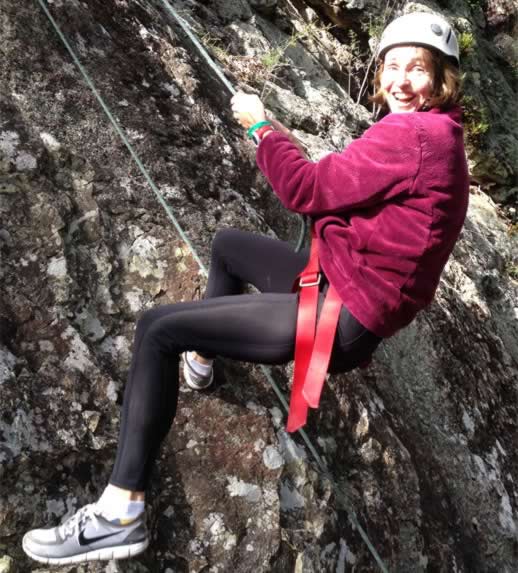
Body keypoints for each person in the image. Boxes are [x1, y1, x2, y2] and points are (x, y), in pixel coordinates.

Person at [22, 11, 469, 566]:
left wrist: (262, 130)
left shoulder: (416, 135)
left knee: (156, 330)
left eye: (418, 69)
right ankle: (205, 360)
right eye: (393, 65)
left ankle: (120, 512)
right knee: (230, 245)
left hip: (334, 317)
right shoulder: (439, 137)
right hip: (336, 286)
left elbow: (305, 189)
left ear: (442, 79)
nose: (401, 80)